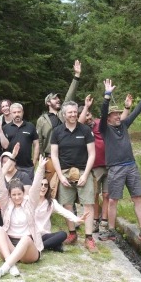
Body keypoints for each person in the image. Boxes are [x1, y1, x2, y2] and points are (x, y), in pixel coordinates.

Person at [99, 79, 141, 245]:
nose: (118, 116)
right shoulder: (104, 129)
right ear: (108, 118)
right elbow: (103, 111)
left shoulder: (123, 125)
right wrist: (107, 95)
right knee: (113, 200)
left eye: (119, 114)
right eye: (115, 114)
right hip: (115, 169)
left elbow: (136, 112)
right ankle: (111, 230)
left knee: (137, 198)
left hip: (131, 166)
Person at [0, 155, 48, 279]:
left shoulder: (30, 203)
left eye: (19, 194)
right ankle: (11, 265)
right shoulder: (6, 204)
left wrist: (41, 168)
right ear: (10, 195)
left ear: (23, 193)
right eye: (14, 195)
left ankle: (3, 269)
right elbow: (1, 189)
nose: (17, 197)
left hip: (28, 249)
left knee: (25, 238)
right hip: (9, 246)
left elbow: (36, 188)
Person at [50, 101, 97, 251]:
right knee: (67, 204)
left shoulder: (85, 130)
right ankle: (72, 234)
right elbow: (54, 155)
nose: (73, 114)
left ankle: (89, 238)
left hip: (83, 171)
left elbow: (92, 154)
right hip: (64, 172)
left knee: (88, 204)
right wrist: (60, 176)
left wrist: (86, 174)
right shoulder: (57, 131)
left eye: (75, 112)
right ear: (64, 114)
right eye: (70, 112)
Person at [82, 94, 129, 232]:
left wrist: (126, 108)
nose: (88, 118)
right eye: (85, 115)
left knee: (107, 194)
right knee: (95, 195)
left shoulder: (100, 123)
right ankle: (95, 220)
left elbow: (120, 120)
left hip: (109, 163)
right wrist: (85, 108)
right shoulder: (82, 129)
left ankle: (104, 221)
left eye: (89, 114)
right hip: (94, 166)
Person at [36, 60, 81, 189]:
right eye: (54, 98)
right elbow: (39, 141)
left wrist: (77, 76)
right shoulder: (42, 120)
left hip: (67, 156)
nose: (58, 100)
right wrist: (40, 160)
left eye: (58, 98)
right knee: (50, 187)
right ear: (48, 102)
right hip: (50, 158)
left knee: (68, 186)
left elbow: (70, 96)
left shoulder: (64, 114)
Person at [33, 173, 86, 252]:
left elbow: (64, 212)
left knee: (63, 234)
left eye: (46, 185)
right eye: (41, 185)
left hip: (45, 235)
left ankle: (39, 247)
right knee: (57, 245)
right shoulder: (29, 200)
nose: (43, 187)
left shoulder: (51, 202)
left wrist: (76, 219)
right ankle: (52, 245)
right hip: (32, 235)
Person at [1, 103, 39, 183]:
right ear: (11, 113)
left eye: (19, 112)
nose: (17, 114)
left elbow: (36, 144)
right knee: (10, 188)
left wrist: (34, 162)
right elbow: (2, 146)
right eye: (14, 112)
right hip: (11, 166)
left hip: (27, 166)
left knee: (28, 188)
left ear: (23, 112)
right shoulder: (5, 128)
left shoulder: (30, 126)